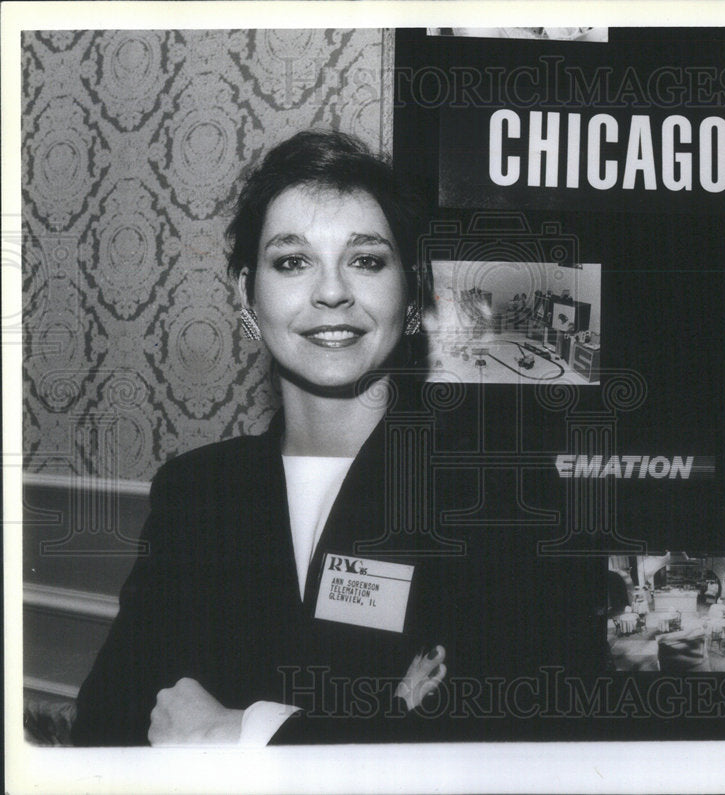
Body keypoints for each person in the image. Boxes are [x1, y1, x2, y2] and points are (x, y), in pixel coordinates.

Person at [71, 130, 604, 746]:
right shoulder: (196, 490)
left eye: (367, 260)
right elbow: (105, 727)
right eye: (292, 261)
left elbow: (511, 743)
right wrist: (388, 717)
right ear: (245, 293)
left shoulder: (502, 497)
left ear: (410, 296)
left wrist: (245, 732)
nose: (331, 292)